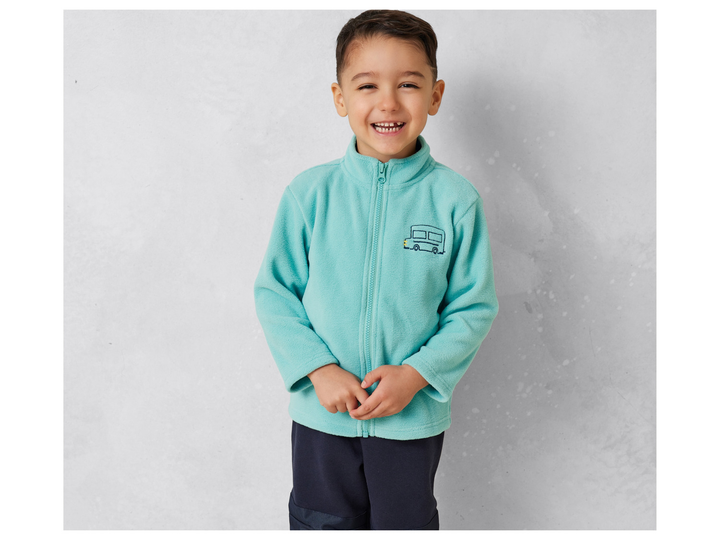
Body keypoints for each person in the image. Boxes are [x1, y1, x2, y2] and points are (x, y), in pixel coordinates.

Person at [254, 9, 499, 530]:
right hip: (324, 417)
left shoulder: (455, 201)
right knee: (320, 522)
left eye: (408, 84)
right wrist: (318, 369)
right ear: (341, 98)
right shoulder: (310, 194)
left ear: (435, 95)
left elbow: (472, 308)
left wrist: (416, 376)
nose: (388, 102)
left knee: (404, 525)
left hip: (409, 418)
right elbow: (275, 292)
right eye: (367, 85)